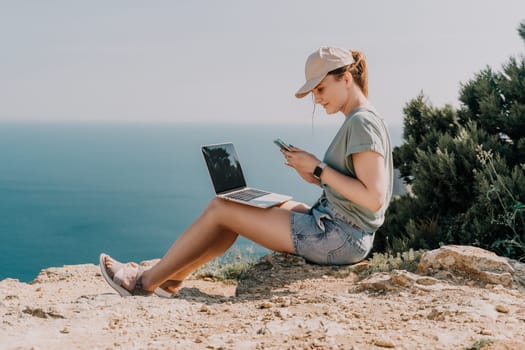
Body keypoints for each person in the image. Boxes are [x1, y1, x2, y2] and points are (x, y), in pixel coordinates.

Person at [100, 46, 394, 297]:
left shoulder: (361, 122)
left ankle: (144, 283)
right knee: (246, 203)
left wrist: (319, 167)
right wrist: (315, 175)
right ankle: (172, 279)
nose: (317, 98)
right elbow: (357, 187)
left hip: (340, 237)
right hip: (337, 226)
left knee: (220, 208)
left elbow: (373, 199)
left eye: (320, 88)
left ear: (345, 79)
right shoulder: (362, 118)